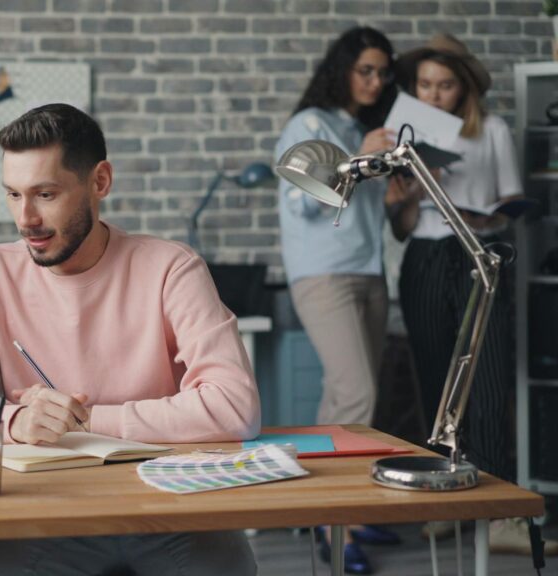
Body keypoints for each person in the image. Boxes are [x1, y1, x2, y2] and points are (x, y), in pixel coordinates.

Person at [0, 103, 261, 575]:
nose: (26, 218)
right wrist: (17, 420)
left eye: (45, 194)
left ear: (99, 181)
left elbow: (235, 406)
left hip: (172, 507)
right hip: (43, 512)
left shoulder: (171, 268)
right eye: (13, 194)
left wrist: (87, 421)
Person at [389, 34, 558, 556]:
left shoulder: (493, 131)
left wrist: (484, 219)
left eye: (444, 85)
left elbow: (512, 200)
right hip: (424, 259)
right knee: (436, 384)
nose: (434, 95)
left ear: (463, 87)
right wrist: (409, 192)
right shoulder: (405, 137)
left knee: (485, 384)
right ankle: (445, 503)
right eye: (425, 85)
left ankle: (501, 513)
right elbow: (401, 228)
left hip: (478, 258)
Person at [274, 26, 401, 575]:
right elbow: (300, 202)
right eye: (365, 70)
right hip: (323, 274)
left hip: (369, 271)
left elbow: (375, 217)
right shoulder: (310, 125)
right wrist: (356, 159)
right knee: (356, 393)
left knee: (345, 399)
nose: (375, 81)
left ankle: (333, 509)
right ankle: (334, 523)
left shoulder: (360, 128)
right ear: (342, 69)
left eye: (382, 72)